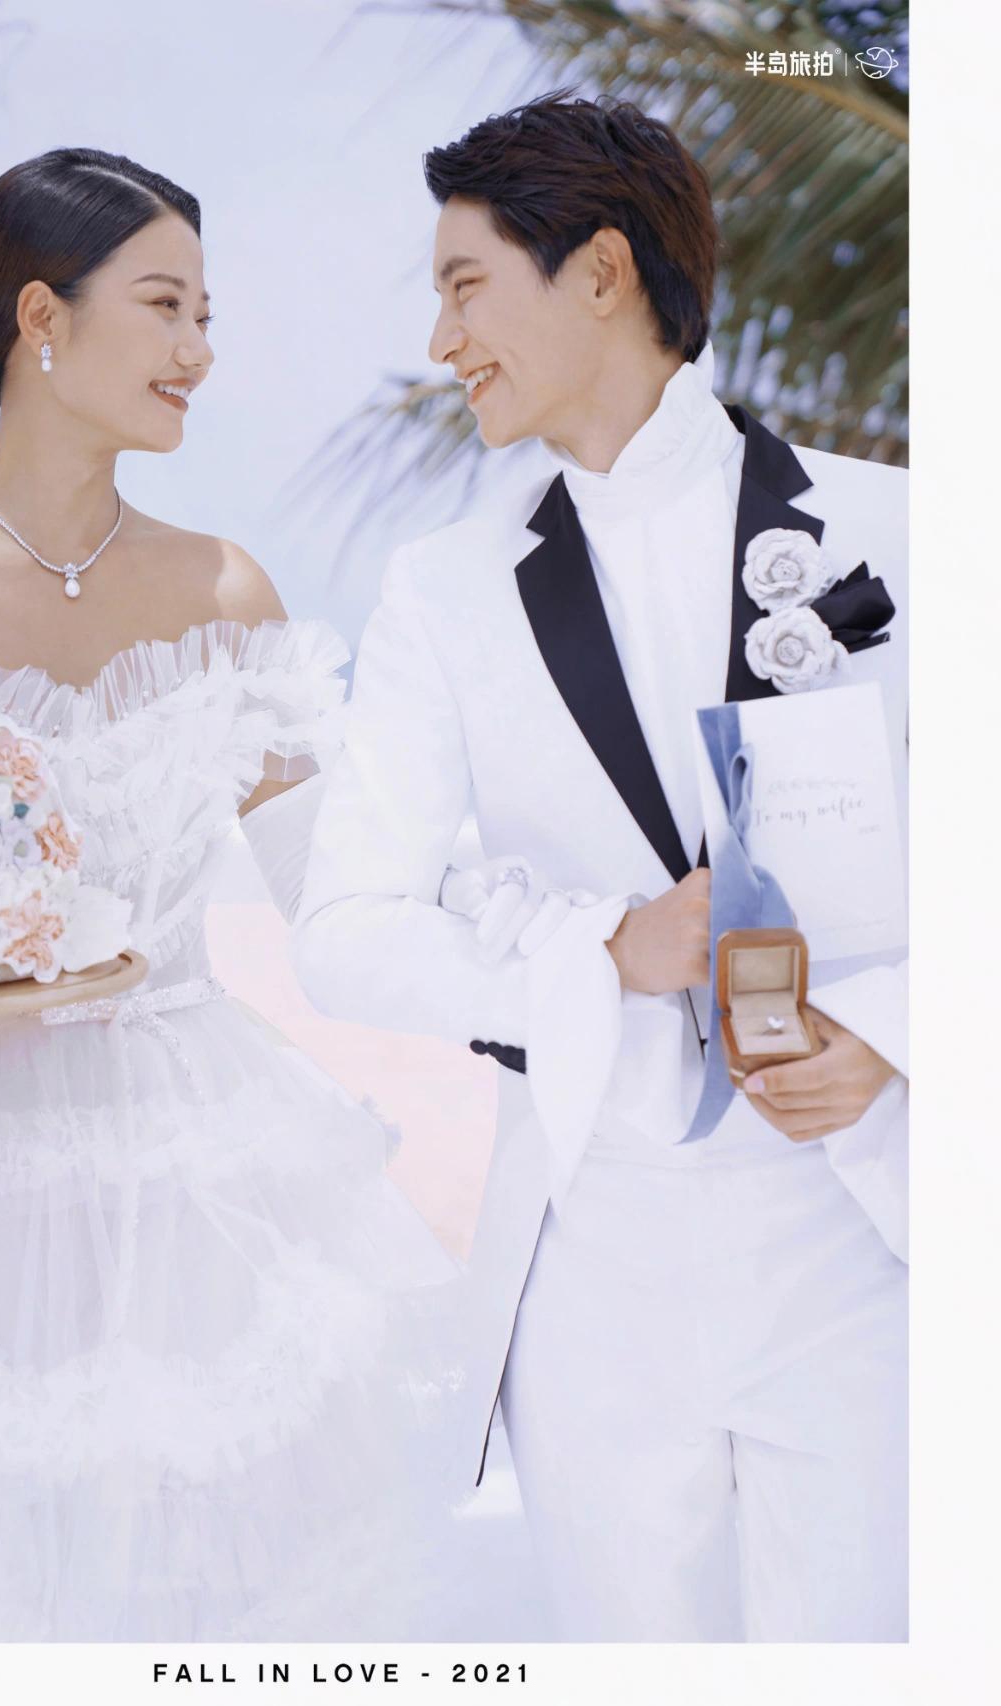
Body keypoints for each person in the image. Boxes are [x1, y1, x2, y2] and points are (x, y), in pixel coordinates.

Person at [0, 146, 489, 1642]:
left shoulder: (226, 594)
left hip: (195, 1178)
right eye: (168, 306)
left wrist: (555, 949)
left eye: (208, 314)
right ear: (42, 318)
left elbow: (338, 886)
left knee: (211, 1588)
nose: (201, 350)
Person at [293, 93, 909, 1642]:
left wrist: (902, 1038)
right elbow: (345, 929)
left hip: (869, 1242)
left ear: (603, 272)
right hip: (595, 1267)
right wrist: (602, 949)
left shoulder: (906, 529)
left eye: (464, 285)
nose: (442, 340)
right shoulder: (443, 593)